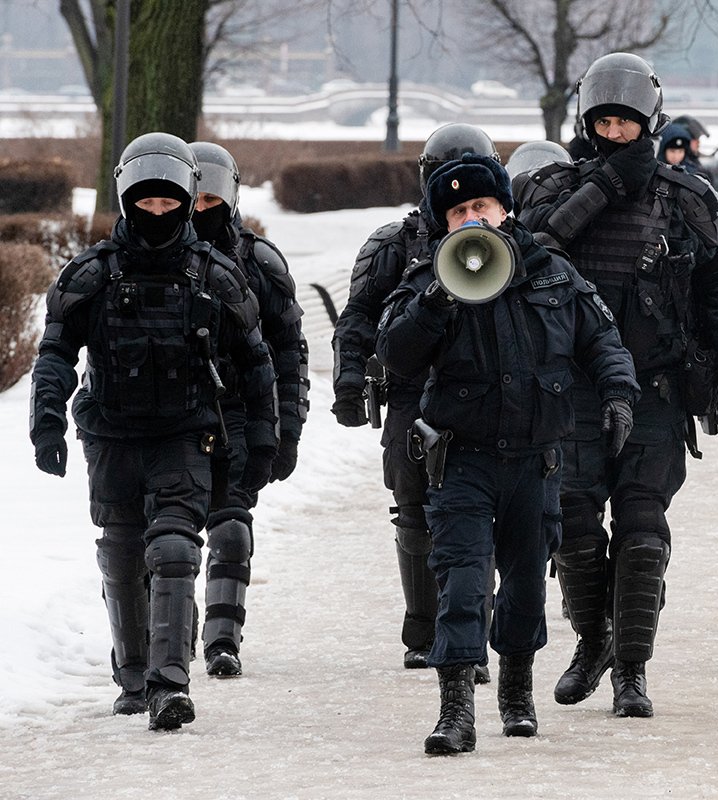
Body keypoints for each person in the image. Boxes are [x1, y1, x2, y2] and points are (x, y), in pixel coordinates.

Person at [517, 52, 718, 717]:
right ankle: (592, 639)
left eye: (626, 122)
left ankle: (631, 668)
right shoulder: (549, 188)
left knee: (644, 527)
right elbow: (528, 259)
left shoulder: (687, 198)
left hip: (655, 388)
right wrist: (602, 188)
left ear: (648, 120)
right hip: (573, 388)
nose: (616, 132)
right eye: (605, 122)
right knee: (572, 523)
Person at [375, 153, 639, 754]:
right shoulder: (425, 280)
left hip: (535, 459)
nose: (473, 218)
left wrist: (619, 394)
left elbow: (602, 340)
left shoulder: (551, 272)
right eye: (459, 210)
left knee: (525, 583)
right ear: (444, 223)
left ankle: (516, 695)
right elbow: (394, 353)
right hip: (462, 461)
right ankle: (455, 710)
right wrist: (435, 303)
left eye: (482, 206)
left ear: (504, 209)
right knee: (463, 581)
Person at [29, 132, 278, 730]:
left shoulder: (214, 275)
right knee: (120, 555)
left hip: (185, 435)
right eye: (147, 201)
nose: (158, 213)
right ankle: (135, 676)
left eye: (170, 202)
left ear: (189, 199)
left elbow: (257, 358)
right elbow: (57, 351)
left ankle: (171, 685)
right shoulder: (91, 274)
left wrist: (267, 437)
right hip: (112, 436)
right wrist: (46, 421)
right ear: (125, 199)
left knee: (171, 549)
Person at [331, 123, 499, 682]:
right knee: (412, 507)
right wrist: (349, 380)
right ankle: (423, 626)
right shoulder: (394, 245)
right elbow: (356, 317)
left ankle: (470, 630)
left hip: (484, 393)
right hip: (409, 391)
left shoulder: (513, 243)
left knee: (480, 514)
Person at [188, 141, 309, 678]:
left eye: (211, 197)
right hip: (163, 419)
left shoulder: (258, 262)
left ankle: (222, 638)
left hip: (237, 410)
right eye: (190, 196)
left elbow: (288, 353)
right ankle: (159, 636)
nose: (198, 208)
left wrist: (287, 431)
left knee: (231, 525)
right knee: (159, 535)